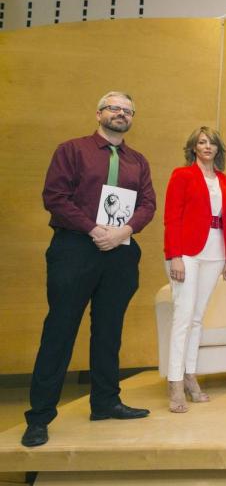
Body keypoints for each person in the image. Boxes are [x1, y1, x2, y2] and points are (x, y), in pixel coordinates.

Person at [22, 91, 157, 448]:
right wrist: (95, 230)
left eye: (128, 111)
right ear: (98, 113)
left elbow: (147, 204)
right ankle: (39, 417)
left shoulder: (137, 161)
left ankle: (105, 401)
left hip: (121, 252)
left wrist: (124, 232)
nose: (121, 114)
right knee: (60, 331)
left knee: (109, 331)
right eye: (114, 108)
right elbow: (55, 197)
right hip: (75, 248)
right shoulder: (72, 150)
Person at [163, 127, 226, 413]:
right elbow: (172, 216)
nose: (207, 146)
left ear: (218, 149)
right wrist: (175, 256)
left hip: (215, 252)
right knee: (182, 317)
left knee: (197, 317)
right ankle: (175, 383)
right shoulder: (182, 175)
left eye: (212, 143)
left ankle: (190, 375)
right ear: (193, 147)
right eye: (202, 142)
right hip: (186, 253)